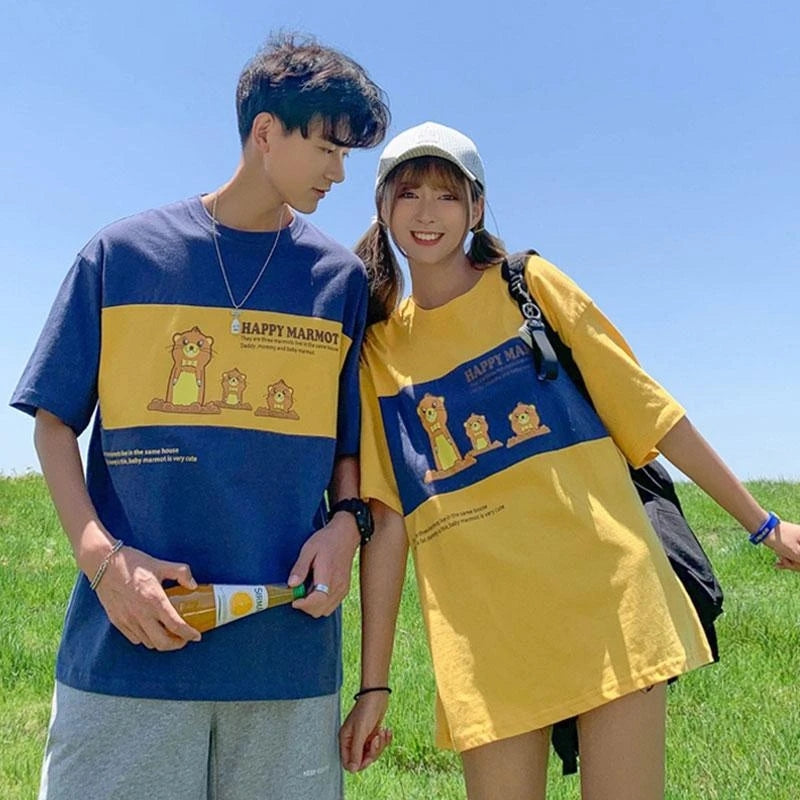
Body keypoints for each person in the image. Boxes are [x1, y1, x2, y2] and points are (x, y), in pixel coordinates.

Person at [339, 121, 800, 799]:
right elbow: (387, 520)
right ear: (382, 207)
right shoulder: (378, 354)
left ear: (476, 207)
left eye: (447, 194)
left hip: (609, 599)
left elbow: (652, 413)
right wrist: (373, 685)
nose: (427, 212)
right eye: (409, 194)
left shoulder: (528, 286)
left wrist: (765, 525)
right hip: (485, 637)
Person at [10, 33, 389, 800]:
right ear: (265, 133)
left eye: (346, 154)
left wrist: (347, 527)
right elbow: (53, 423)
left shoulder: (339, 282)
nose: (339, 172)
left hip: (285, 659)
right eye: (327, 148)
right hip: (129, 648)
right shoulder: (122, 256)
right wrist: (103, 561)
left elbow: (349, 449)